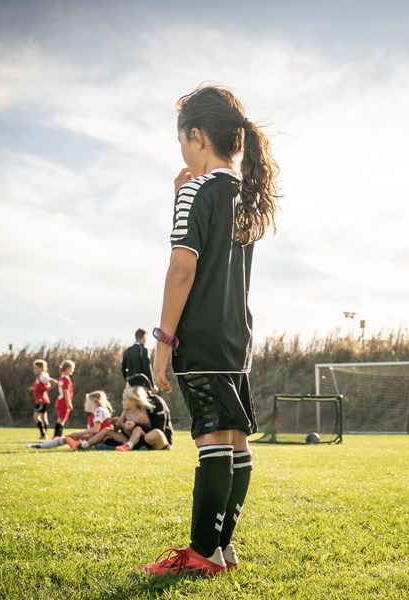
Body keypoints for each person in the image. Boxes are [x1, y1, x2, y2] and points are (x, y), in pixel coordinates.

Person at [141, 85, 280, 577]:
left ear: (197, 136)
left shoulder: (197, 192)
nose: (181, 153)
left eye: (182, 141)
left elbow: (182, 270)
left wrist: (161, 346)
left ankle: (201, 554)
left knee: (213, 440)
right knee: (236, 441)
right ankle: (223, 551)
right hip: (236, 336)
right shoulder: (244, 195)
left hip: (199, 336)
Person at [27, 391, 113, 449]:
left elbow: (96, 430)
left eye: (87, 401)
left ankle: (40, 446)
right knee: (68, 437)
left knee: (68, 438)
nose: (85, 404)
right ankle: (41, 445)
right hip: (97, 438)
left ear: (94, 401)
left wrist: (78, 434)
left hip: (103, 439)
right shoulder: (93, 415)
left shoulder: (99, 410)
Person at [79, 385, 153, 450]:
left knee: (137, 429)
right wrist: (115, 423)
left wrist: (122, 424)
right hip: (127, 438)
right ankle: (84, 445)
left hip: (138, 440)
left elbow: (131, 433)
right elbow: (117, 429)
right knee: (107, 430)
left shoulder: (140, 415)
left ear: (133, 402)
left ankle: (126, 446)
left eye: (125, 400)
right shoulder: (125, 412)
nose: (122, 402)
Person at [124, 373, 173, 450]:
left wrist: (137, 425)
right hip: (140, 436)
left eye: (128, 389)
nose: (126, 392)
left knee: (152, 435)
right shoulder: (133, 403)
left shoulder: (157, 403)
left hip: (158, 438)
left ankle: (144, 446)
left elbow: (160, 428)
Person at [30, 359, 53, 440]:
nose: (34, 370)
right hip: (42, 400)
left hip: (41, 400)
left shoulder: (43, 376)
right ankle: (44, 435)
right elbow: (43, 386)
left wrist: (49, 386)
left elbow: (52, 382)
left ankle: (43, 435)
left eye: (36, 368)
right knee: (43, 417)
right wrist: (34, 389)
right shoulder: (40, 377)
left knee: (36, 417)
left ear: (41, 368)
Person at [53, 360, 76, 438]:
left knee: (61, 419)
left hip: (60, 400)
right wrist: (69, 402)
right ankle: (56, 436)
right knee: (61, 419)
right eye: (72, 369)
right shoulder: (66, 379)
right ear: (67, 368)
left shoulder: (61, 378)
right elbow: (66, 391)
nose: (73, 371)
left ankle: (58, 435)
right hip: (64, 401)